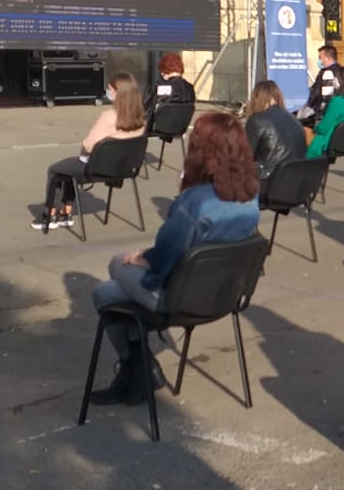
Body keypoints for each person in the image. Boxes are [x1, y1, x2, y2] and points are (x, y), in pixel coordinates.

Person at [88, 112, 262, 405]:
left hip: (180, 299)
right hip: (225, 296)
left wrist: (142, 258)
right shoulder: (251, 196)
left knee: (110, 278)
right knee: (114, 292)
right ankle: (141, 370)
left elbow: (164, 256)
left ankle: (137, 369)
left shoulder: (195, 202)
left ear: (202, 151)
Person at [34, 72, 146, 229]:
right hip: (125, 168)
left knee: (55, 170)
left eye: (109, 88)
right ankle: (65, 213)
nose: (107, 91)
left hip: (96, 167)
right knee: (69, 169)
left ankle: (50, 215)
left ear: (117, 93)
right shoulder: (141, 118)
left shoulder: (108, 116)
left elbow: (88, 145)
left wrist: (84, 152)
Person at [244, 80, 307, 194]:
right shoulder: (294, 120)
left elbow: (245, 155)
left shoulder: (257, 120)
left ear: (257, 98)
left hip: (269, 182)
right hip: (296, 183)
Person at [305, 65, 344, 159]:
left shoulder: (338, 101)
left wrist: (315, 128)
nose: (334, 80)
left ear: (342, 81)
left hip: (329, 141)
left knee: (302, 131)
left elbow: (323, 128)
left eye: (336, 78)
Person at [144, 52, 197, 126]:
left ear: (164, 69)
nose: (161, 74)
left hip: (159, 126)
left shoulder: (161, 87)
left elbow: (146, 108)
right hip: (180, 127)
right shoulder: (190, 88)